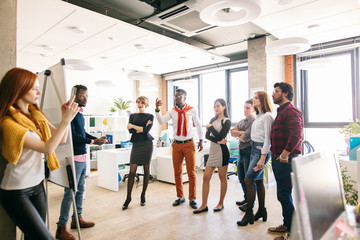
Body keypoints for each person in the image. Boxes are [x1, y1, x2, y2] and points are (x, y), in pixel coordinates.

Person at [0, 68, 79, 240]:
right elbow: (47, 148)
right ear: (18, 88)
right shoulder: (8, 122)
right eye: (33, 87)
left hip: (37, 185)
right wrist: (66, 120)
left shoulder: (36, 115)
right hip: (16, 191)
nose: (39, 91)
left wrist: (63, 116)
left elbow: (62, 138)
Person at [56, 85, 107, 240]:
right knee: (70, 192)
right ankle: (61, 227)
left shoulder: (79, 113)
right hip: (74, 156)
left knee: (80, 189)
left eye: (86, 95)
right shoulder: (70, 112)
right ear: (75, 96)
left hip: (82, 156)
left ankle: (77, 219)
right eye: (83, 95)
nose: (86, 98)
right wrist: (93, 142)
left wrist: (94, 138)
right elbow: (73, 136)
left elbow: (82, 133)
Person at [155, 89, 203, 209]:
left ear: (184, 98)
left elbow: (198, 124)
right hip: (176, 145)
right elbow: (162, 121)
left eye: (179, 96)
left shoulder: (192, 109)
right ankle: (180, 196)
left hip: (189, 144)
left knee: (191, 173)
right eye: (175, 97)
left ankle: (192, 198)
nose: (176, 98)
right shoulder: (172, 111)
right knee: (177, 172)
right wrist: (157, 110)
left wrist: (201, 139)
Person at [268, 82, 303, 240]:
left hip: (285, 160)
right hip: (278, 159)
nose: (273, 94)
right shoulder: (281, 111)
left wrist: (284, 154)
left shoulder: (291, 111)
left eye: (276, 91)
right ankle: (287, 224)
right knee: (284, 195)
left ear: (286, 94)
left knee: (284, 195)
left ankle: (293, 231)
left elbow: (296, 134)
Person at [237, 91, 273, 226]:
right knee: (258, 182)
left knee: (248, 179)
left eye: (257, 98)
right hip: (253, 149)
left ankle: (249, 214)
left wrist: (262, 158)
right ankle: (262, 210)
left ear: (263, 100)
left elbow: (267, 140)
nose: (254, 99)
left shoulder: (267, 116)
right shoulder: (259, 116)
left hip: (260, 152)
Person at [193, 98, 231, 214]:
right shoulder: (212, 120)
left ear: (224, 107)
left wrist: (211, 128)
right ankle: (204, 205)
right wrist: (218, 140)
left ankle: (220, 203)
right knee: (206, 177)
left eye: (218, 106)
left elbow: (220, 135)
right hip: (213, 151)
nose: (216, 108)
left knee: (222, 178)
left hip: (223, 152)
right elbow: (207, 137)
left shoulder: (227, 121)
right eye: (215, 106)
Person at [122, 96, 154, 210]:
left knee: (146, 171)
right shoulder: (132, 116)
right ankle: (128, 198)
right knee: (132, 171)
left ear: (146, 104)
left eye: (142, 102)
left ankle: (143, 195)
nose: (140, 104)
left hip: (147, 144)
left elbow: (146, 131)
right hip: (136, 145)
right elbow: (131, 131)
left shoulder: (150, 116)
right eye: (138, 102)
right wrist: (140, 128)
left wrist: (134, 127)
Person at [231, 100, 256, 212]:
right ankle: (246, 198)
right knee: (241, 178)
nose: (245, 110)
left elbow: (244, 138)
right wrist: (243, 132)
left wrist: (240, 133)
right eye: (244, 107)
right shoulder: (242, 121)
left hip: (248, 152)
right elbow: (232, 132)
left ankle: (250, 203)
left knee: (248, 180)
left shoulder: (254, 121)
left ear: (254, 109)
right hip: (240, 152)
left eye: (248, 108)